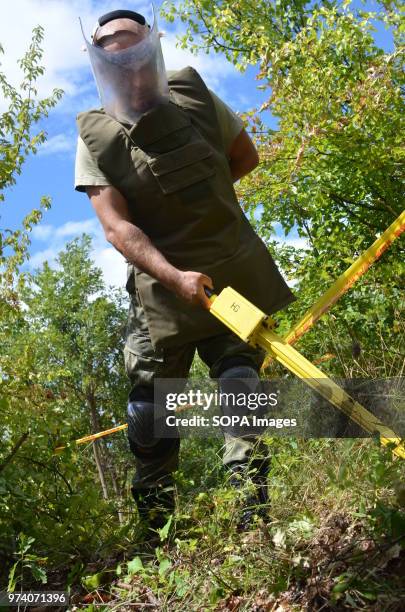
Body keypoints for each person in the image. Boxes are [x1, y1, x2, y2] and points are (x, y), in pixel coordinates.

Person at [74, 7, 295, 532]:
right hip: (157, 293)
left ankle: (252, 519)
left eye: (130, 47)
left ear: (149, 46)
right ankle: (156, 539)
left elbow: (243, 157)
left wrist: (204, 216)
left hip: (229, 277)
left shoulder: (194, 96)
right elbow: (116, 228)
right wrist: (176, 275)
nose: (123, 59)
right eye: (111, 50)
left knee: (240, 384)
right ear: (99, 60)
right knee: (150, 413)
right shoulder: (96, 135)